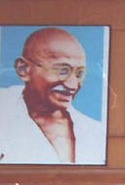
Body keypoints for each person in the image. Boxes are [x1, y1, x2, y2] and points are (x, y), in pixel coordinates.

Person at [0, 27, 105, 165]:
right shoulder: (4, 107)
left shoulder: (94, 131)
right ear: (23, 69)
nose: (72, 85)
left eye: (79, 74)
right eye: (62, 71)